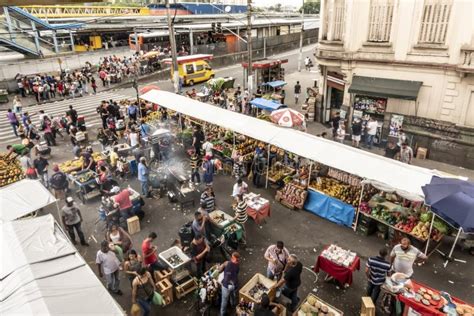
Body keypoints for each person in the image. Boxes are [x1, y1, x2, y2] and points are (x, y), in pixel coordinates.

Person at [219, 252, 240, 316]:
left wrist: (220, 267)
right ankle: (233, 304)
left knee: (224, 301)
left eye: (232, 257)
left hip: (226, 285)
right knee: (232, 295)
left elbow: (219, 270)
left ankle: (222, 313)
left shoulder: (227, 263)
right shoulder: (238, 265)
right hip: (234, 285)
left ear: (233, 258)